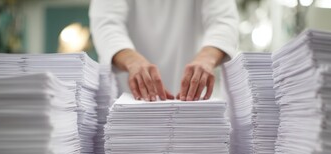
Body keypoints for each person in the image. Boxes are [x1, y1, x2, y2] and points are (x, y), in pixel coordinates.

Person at [89, 0, 238, 101]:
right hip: (128, 103)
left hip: (195, 106)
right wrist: (131, 60)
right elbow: (106, 23)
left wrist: (206, 58)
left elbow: (224, 21)